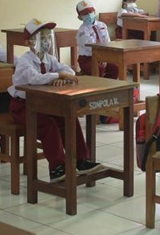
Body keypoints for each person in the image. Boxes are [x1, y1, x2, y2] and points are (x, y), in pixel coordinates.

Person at [9, 19, 104, 182]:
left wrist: (62, 76)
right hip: (23, 107)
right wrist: (57, 76)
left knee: (69, 118)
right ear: (29, 42)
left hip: (43, 105)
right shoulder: (24, 62)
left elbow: (66, 69)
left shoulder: (49, 59)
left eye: (47, 38)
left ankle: (81, 160)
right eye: (42, 39)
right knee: (49, 126)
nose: (46, 42)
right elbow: (34, 78)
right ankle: (57, 167)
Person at [76, 0, 119, 79]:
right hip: (87, 59)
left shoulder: (102, 25)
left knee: (114, 67)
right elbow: (90, 48)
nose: (89, 15)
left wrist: (106, 58)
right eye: (85, 14)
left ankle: (109, 87)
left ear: (94, 12)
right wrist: (101, 58)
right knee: (99, 69)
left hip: (103, 56)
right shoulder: (82, 31)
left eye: (90, 12)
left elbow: (107, 42)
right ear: (80, 17)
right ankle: (99, 88)